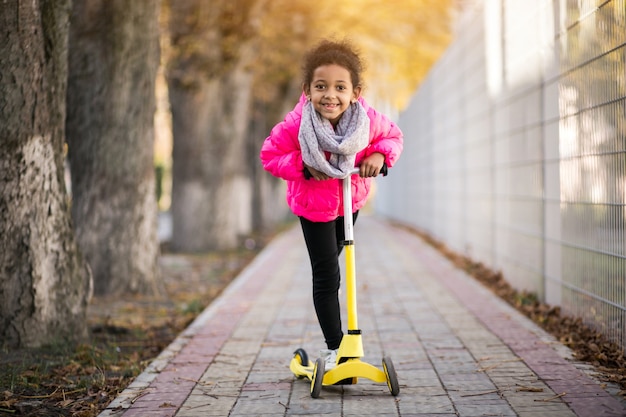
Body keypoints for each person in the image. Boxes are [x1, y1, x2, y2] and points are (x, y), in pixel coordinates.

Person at [259, 39, 403, 369]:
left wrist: (380, 154)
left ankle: (342, 345)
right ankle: (336, 348)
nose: (330, 95)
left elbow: (392, 137)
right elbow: (270, 154)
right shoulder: (297, 123)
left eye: (340, 87)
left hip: (349, 202)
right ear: (307, 89)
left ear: (355, 92)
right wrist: (301, 165)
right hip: (313, 206)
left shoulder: (367, 119)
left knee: (339, 264)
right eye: (321, 86)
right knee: (327, 275)